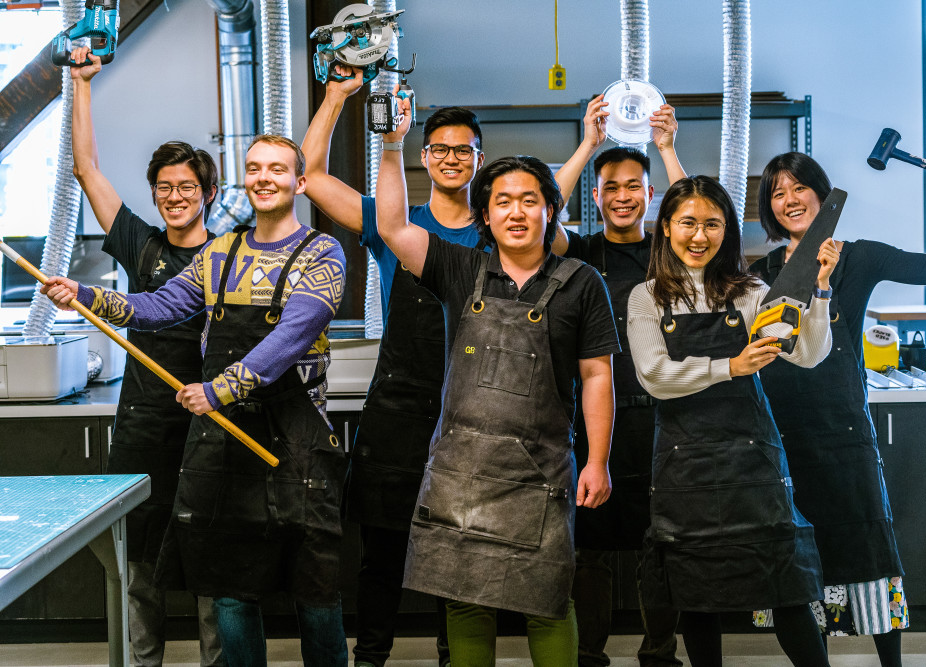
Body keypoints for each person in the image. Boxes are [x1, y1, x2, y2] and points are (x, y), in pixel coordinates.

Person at [42, 135, 350, 667]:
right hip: (225, 454)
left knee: (317, 594)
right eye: (254, 168)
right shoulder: (220, 253)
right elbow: (157, 306)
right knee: (231, 594)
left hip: (298, 454)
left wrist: (219, 389)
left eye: (277, 169)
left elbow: (292, 336)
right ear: (243, 180)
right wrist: (85, 295)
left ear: (299, 182)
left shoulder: (322, 254)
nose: (263, 177)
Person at [374, 94, 619, 666]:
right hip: (462, 473)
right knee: (464, 601)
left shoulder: (581, 283)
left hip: (541, 471)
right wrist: (391, 144)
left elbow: (596, 376)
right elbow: (390, 226)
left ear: (549, 212)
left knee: (549, 601)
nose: (515, 212)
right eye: (502, 201)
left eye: (529, 201)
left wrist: (598, 460)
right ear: (485, 216)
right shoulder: (459, 269)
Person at [748, 152, 926, 667]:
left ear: (821, 195)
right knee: (798, 556)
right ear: (770, 208)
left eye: (799, 188)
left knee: (869, 548)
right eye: (778, 193)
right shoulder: (759, 275)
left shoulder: (859, 257)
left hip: (844, 431)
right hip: (781, 436)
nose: (790, 200)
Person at [301, 65, 487, 667]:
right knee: (382, 547)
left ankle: (453, 656)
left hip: (473, 404)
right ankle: (372, 656)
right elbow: (312, 177)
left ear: (479, 160)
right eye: (441, 150)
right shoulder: (394, 220)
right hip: (399, 407)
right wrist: (335, 95)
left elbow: (552, 208)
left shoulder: (502, 229)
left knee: (457, 551)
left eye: (464, 151)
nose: (453, 159)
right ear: (426, 158)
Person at [628, 175, 839, 667]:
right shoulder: (648, 297)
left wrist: (821, 290)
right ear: (665, 227)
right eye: (687, 223)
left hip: (752, 464)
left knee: (785, 587)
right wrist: (730, 366)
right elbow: (655, 377)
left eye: (712, 224)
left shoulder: (749, 292)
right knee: (697, 598)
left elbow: (805, 354)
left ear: (727, 231)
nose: (699, 236)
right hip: (686, 467)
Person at [67, 45, 222, 667]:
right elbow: (87, 170)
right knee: (141, 571)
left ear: (208, 192)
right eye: (165, 187)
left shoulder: (233, 253)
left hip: (211, 427)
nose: (175, 196)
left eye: (187, 186)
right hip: (143, 427)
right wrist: (80, 84)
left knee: (215, 571)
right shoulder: (140, 243)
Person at [551, 93, 686, 667]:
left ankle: (660, 653)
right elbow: (541, 213)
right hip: (595, 420)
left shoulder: (670, 251)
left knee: (662, 543)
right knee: (592, 550)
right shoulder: (579, 254)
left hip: (662, 418)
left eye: (634, 186)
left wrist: (667, 149)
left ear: (649, 194)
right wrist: (588, 143)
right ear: (598, 197)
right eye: (612, 188)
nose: (623, 196)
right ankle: (589, 655)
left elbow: (703, 213)